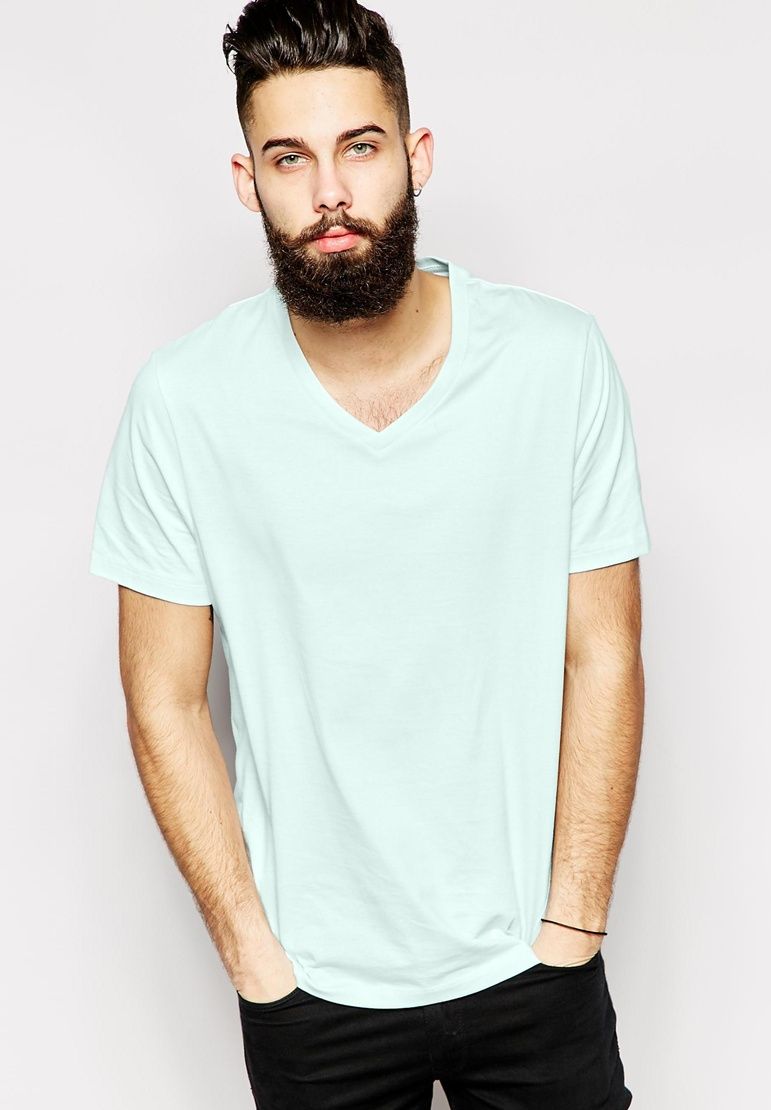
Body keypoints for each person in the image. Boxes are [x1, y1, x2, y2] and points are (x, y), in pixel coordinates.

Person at [88, 1, 651, 1106]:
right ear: (248, 180)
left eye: (359, 147)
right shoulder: (184, 402)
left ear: (416, 154)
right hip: (312, 990)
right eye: (289, 159)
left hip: (534, 966)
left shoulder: (556, 362)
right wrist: (256, 957)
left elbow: (606, 652)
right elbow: (163, 699)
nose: (330, 193)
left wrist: (574, 923)